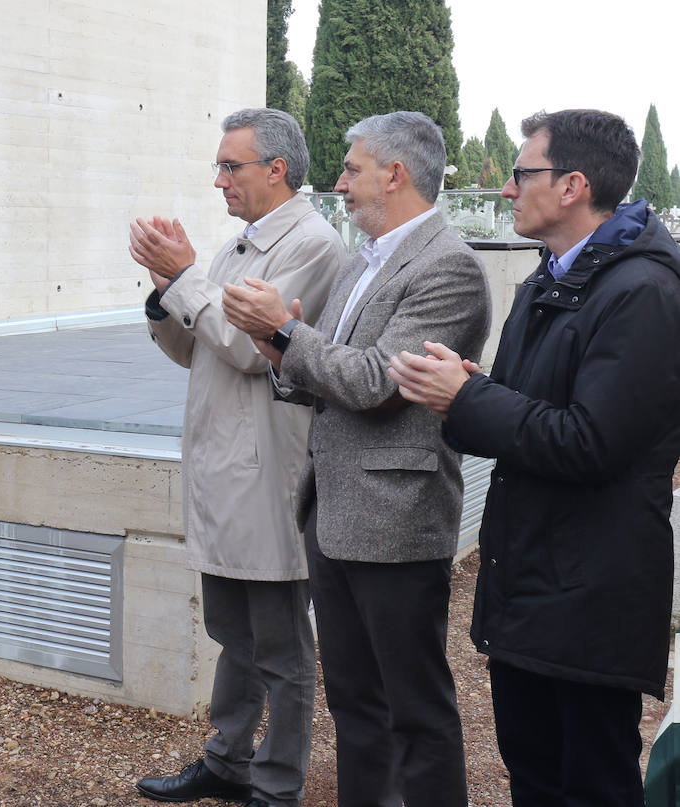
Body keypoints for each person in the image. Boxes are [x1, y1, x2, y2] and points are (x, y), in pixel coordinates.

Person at [388, 109, 680, 806]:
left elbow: (589, 441)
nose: (509, 189)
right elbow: (522, 413)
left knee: (591, 784)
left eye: (524, 173)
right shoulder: (551, 278)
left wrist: (470, 399)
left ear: (574, 185)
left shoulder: (645, 292)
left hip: (590, 592)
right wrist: (462, 393)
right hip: (534, 584)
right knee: (536, 773)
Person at [223, 111, 491, 807]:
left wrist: (283, 330)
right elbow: (324, 369)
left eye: (351, 168)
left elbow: (376, 382)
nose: (338, 181)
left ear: (394, 174)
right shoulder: (358, 259)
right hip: (334, 512)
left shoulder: (448, 267)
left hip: (397, 523)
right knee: (353, 706)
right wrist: (280, 348)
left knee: (416, 712)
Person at [128, 108, 343, 807]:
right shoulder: (239, 248)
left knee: (280, 645)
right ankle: (227, 759)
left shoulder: (311, 245)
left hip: (264, 475)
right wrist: (166, 292)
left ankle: (277, 786)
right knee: (232, 631)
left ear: (275, 170)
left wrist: (185, 275)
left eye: (231, 165)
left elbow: (255, 348)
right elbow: (194, 345)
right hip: (224, 470)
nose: (218, 178)